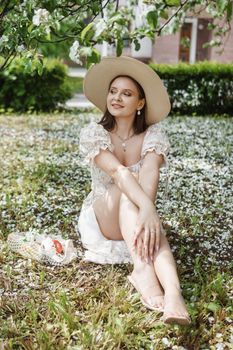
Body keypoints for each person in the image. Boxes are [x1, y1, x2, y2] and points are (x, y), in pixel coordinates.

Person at [77, 56, 191, 325]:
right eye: (113, 91)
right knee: (130, 184)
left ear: (140, 103)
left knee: (151, 227)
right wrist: (149, 209)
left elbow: (151, 172)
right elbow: (118, 173)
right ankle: (142, 270)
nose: (116, 98)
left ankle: (174, 296)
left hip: (134, 212)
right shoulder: (94, 133)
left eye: (126, 94)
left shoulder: (152, 136)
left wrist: (147, 213)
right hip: (102, 215)